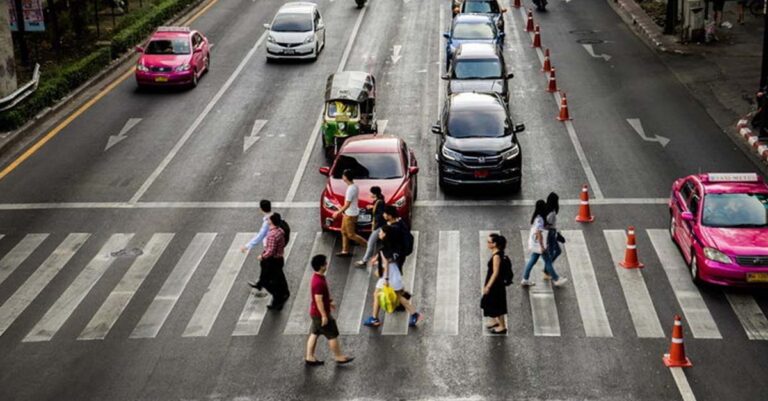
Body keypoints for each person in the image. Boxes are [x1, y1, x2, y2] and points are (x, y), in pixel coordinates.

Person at [362, 225, 423, 328]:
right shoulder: (395, 246)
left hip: (388, 276)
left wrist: (385, 279)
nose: (379, 234)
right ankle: (414, 314)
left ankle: (374, 318)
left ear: (386, 235)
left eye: (381, 232)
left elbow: (386, 264)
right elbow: (390, 259)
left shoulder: (384, 249)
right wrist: (377, 259)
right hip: (395, 274)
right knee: (398, 297)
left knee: (377, 294)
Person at [305, 254, 354, 366]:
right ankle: (339, 357)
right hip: (319, 314)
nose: (327, 264)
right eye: (325, 263)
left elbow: (321, 297)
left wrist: (329, 301)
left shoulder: (318, 278)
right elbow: (318, 300)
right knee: (332, 334)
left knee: (314, 333)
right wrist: (324, 315)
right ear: (322, 266)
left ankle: (309, 356)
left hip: (315, 313)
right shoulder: (318, 282)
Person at [521, 200, 568, 287]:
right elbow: (539, 233)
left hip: (536, 244)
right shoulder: (540, 219)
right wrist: (542, 246)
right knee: (547, 261)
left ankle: (525, 279)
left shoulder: (536, 217)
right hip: (540, 244)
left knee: (532, 260)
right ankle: (556, 279)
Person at [241, 200, 273, 297]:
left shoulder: (267, 222)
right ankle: (260, 284)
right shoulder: (274, 216)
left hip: (269, 246)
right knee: (265, 265)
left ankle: (266, 286)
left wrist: (247, 246)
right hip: (274, 245)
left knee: (267, 266)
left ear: (261, 209)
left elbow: (260, 236)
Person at [333, 169, 367, 256]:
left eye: (343, 176)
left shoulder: (350, 189)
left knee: (351, 234)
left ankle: (368, 246)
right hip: (349, 213)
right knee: (343, 231)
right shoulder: (354, 186)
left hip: (350, 214)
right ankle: (345, 251)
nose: (342, 177)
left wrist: (338, 212)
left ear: (346, 178)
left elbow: (347, 204)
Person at [260, 213, 290, 310]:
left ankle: (278, 298)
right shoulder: (280, 230)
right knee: (279, 277)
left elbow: (271, 251)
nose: (267, 220)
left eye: (268, 219)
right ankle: (284, 293)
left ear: (272, 221)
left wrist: (262, 256)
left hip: (272, 261)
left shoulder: (272, 235)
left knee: (266, 281)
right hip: (279, 258)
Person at [482, 233, 508, 335]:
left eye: (489, 242)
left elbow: (495, 272)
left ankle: (502, 326)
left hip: (495, 285)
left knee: (497, 304)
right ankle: (494, 321)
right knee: (489, 302)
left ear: (495, 244)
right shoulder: (497, 252)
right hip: (494, 283)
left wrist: (488, 286)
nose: (487, 244)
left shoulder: (496, 256)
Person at [355, 186, 386, 267]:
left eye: (371, 192)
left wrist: (375, 224)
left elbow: (380, 214)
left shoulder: (380, 202)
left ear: (374, 194)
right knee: (383, 244)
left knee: (370, 243)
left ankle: (364, 261)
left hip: (379, 226)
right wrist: (371, 208)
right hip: (379, 226)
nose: (370, 194)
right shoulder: (377, 201)